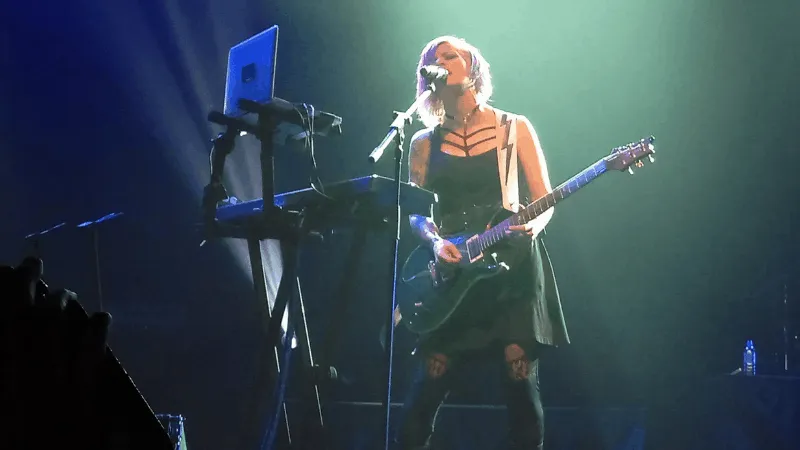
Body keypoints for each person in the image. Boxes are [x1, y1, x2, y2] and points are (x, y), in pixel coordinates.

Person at [395, 36, 570, 450]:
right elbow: (415, 212)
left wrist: (534, 226)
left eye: (450, 55)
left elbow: (543, 199)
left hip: (512, 268)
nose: (440, 61)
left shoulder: (513, 127)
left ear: (473, 67)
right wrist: (435, 244)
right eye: (432, 59)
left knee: (519, 378)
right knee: (428, 383)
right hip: (454, 270)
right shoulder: (423, 143)